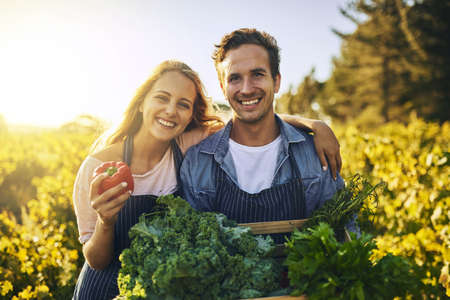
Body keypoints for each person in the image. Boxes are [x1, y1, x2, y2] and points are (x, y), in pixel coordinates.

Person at [72, 60, 342, 299]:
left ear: (191, 114)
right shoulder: (97, 167)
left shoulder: (188, 144)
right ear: (142, 102)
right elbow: (95, 260)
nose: (170, 111)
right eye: (161, 98)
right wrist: (106, 222)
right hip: (107, 287)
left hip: (162, 286)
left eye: (183, 104)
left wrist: (316, 125)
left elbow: (251, 118)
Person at [180, 28, 356, 243]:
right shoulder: (198, 161)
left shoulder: (315, 154)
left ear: (277, 81)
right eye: (235, 78)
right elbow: (191, 246)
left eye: (257, 74)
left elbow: (345, 234)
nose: (246, 89)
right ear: (223, 88)